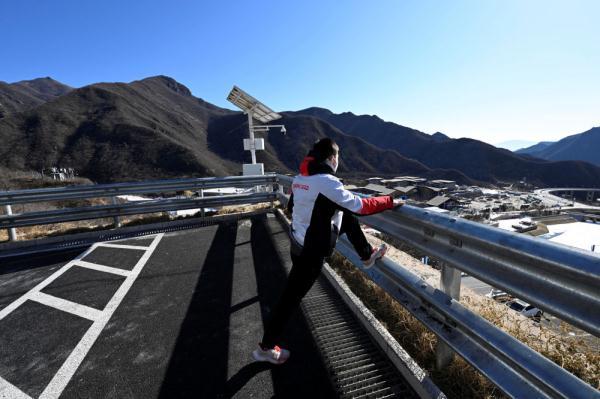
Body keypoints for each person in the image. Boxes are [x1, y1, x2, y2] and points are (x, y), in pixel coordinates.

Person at [252, 138, 404, 365]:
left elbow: (292, 207)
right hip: (311, 252)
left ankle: (366, 254)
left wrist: (320, 213)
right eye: (338, 157)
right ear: (332, 158)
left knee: (346, 213)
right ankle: (265, 349)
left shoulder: (301, 178)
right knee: (289, 300)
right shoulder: (327, 182)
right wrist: (390, 201)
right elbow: (361, 206)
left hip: (299, 241)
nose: (338, 161)